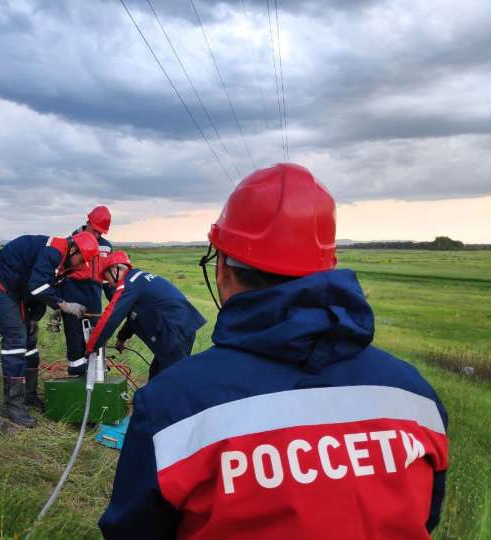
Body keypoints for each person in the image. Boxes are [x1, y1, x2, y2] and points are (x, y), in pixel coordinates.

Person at [99, 163, 449, 539]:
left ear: (223, 271)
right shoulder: (416, 397)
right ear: (327, 267)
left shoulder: (170, 407)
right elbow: (425, 519)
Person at [0, 231, 99, 427]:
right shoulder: (54, 251)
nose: (79, 265)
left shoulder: (63, 261)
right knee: (16, 341)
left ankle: (29, 396)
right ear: (74, 249)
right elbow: (37, 286)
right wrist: (63, 305)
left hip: (20, 292)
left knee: (30, 341)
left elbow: (45, 286)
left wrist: (55, 304)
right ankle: (12, 405)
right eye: (80, 260)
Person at [85, 251, 206, 379]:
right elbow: (133, 314)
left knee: (170, 380)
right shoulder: (138, 279)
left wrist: (92, 346)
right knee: (156, 375)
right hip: (180, 328)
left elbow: (111, 317)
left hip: (174, 332)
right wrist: (122, 338)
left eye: (106, 276)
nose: (108, 283)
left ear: (115, 269)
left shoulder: (129, 283)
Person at [56, 206, 114, 375]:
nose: (97, 235)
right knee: (74, 336)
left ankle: (95, 373)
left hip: (94, 297)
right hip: (71, 294)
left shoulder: (107, 248)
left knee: (95, 337)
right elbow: (59, 272)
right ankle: (75, 372)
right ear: (88, 222)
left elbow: (108, 279)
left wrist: (115, 300)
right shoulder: (70, 242)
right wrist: (58, 302)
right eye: (95, 230)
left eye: (101, 233)